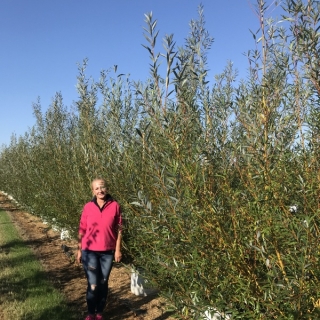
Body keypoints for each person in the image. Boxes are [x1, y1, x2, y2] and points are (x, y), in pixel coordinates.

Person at [77, 178, 122, 320]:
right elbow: (82, 229)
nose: (100, 190)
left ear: (107, 188)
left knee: (103, 282)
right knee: (93, 284)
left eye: (102, 187)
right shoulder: (88, 207)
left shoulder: (115, 206)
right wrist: (79, 249)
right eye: (97, 188)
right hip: (89, 250)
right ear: (93, 191)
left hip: (108, 252)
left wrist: (117, 249)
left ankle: (99, 313)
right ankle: (91, 313)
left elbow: (119, 229)